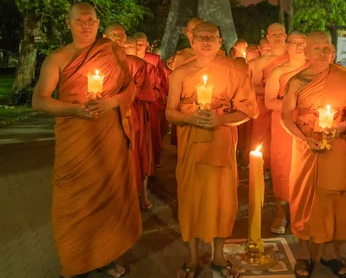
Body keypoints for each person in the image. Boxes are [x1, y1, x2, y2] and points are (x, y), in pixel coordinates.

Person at [32, 2, 140, 278]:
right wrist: (74, 110)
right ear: (68, 24)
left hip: (109, 138)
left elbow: (131, 87)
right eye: (79, 21)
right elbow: (39, 100)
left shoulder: (112, 51)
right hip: (76, 141)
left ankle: (106, 258)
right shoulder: (58, 58)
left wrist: (113, 102)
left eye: (90, 21)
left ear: (98, 22)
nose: (85, 26)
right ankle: (77, 263)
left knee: (110, 197)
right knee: (72, 201)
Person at [167, 22, 259, 278]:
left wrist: (219, 120)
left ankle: (219, 256)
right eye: (201, 37)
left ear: (220, 42)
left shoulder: (234, 71)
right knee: (191, 199)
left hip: (221, 142)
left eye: (212, 37)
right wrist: (189, 118)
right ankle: (193, 258)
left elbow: (249, 111)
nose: (206, 41)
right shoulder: (180, 73)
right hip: (191, 145)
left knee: (222, 200)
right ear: (192, 41)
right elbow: (170, 112)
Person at [281, 31, 346, 278]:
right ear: (306, 52)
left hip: (334, 146)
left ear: (333, 51)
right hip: (305, 146)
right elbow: (286, 116)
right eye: (316, 49)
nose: (322, 53)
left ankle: (330, 252)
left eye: (327, 48)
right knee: (304, 198)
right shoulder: (295, 81)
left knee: (333, 198)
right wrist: (304, 138)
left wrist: (338, 127)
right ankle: (304, 254)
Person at [263, 31, 307, 234]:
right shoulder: (278, 72)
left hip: (308, 124)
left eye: (303, 43)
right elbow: (269, 101)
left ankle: (303, 211)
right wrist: (293, 104)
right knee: (282, 169)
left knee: (306, 167)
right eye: (295, 43)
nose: (299, 46)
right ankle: (281, 213)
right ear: (287, 46)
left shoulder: (316, 69)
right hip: (283, 125)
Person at [123, 36, 160, 210]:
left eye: (129, 47)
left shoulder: (145, 66)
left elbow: (154, 93)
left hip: (137, 115)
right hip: (114, 116)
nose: (126, 50)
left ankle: (143, 196)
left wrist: (129, 94)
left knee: (140, 155)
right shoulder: (107, 65)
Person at [248, 23, 288, 166]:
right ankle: (262, 168)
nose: (277, 38)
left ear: (286, 36)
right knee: (262, 138)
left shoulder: (294, 56)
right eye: (273, 35)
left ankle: (281, 168)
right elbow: (254, 87)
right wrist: (273, 91)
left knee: (284, 140)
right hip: (265, 105)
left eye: (280, 34)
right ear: (268, 38)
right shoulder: (261, 62)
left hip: (287, 103)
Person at [134, 32, 169, 165]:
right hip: (131, 103)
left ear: (147, 45)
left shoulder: (153, 60)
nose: (138, 47)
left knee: (152, 134)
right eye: (136, 44)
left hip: (151, 102)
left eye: (141, 44)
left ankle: (152, 164)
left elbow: (163, 79)